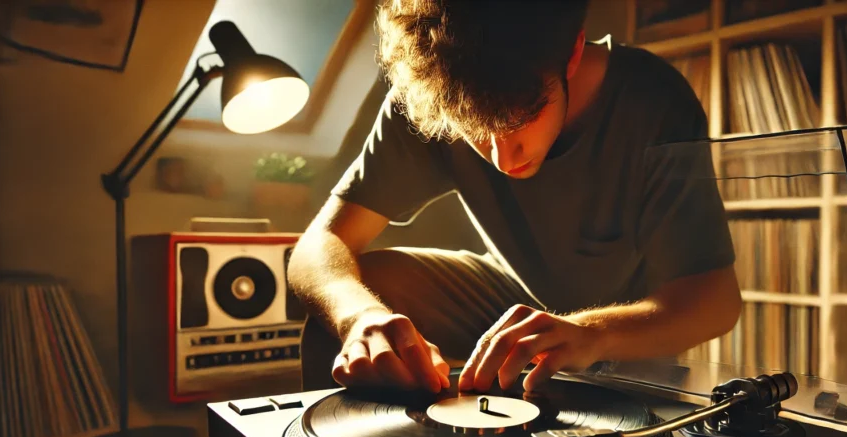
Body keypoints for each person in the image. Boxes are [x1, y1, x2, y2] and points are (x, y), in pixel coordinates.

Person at [287, 0, 742, 395]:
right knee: (361, 285)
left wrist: (590, 333)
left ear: (573, 54)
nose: (504, 156)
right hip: (506, 297)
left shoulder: (653, 100)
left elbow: (716, 300)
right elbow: (319, 245)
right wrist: (359, 318)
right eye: (476, 131)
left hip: (625, 333)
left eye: (523, 116)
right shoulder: (433, 91)